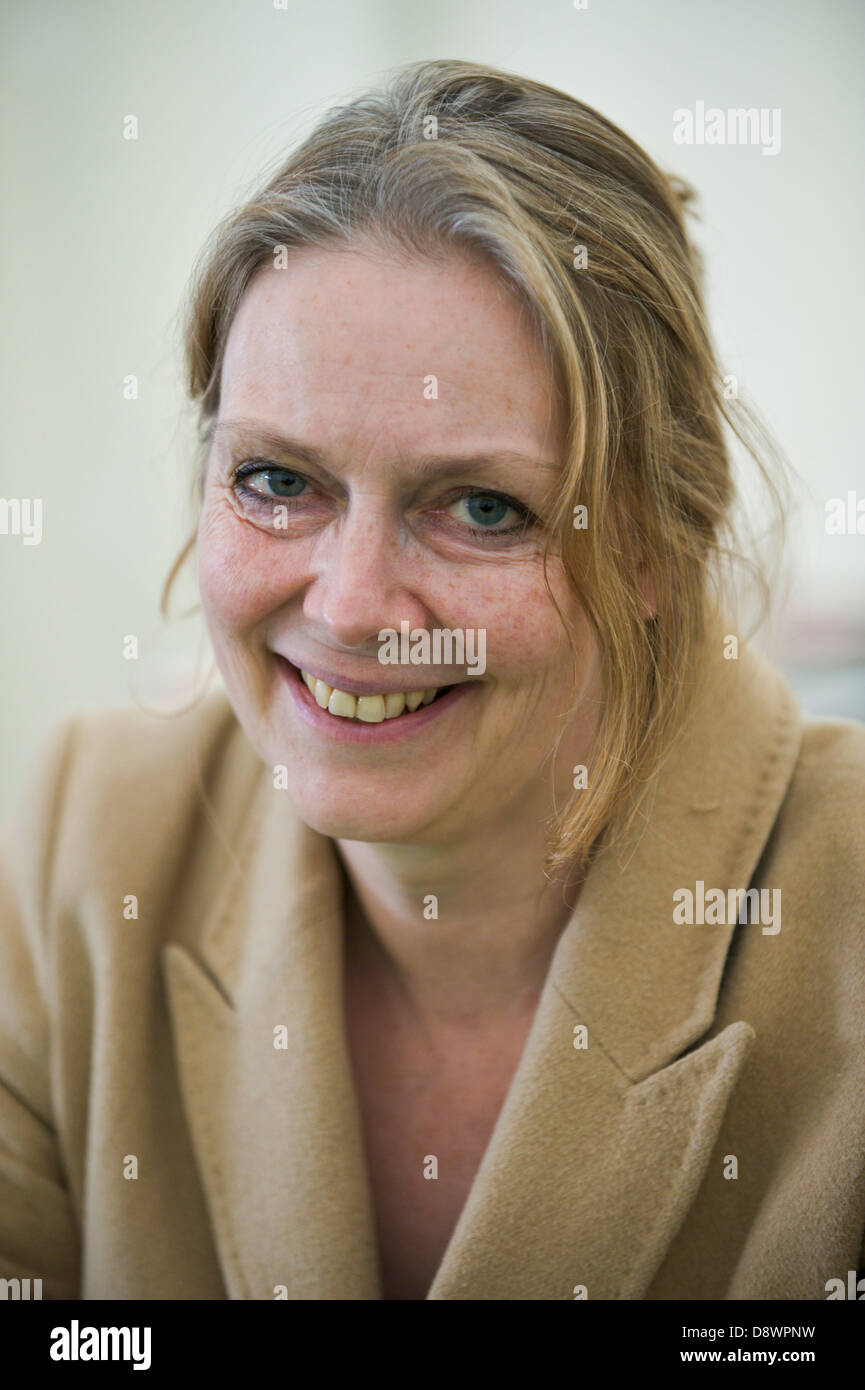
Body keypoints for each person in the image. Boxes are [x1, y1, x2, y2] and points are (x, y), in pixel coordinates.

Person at [1, 58, 863, 1303]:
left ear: (647, 547)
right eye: (277, 481)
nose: (351, 607)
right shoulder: (87, 835)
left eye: (478, 505)